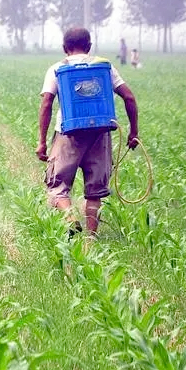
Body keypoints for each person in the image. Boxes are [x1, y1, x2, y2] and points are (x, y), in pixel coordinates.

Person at [35, 27, 139, 237]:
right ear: (89, 47)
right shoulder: (104, 68)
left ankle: (70, 217)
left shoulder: (57, 69)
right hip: (100, 134)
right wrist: (133, 131)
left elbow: (46, 103)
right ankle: (91, 239)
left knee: (57, 186)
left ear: (65, 48)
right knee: (95, 192)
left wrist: (42, 142)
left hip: (67, 134)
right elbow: (129, 97)